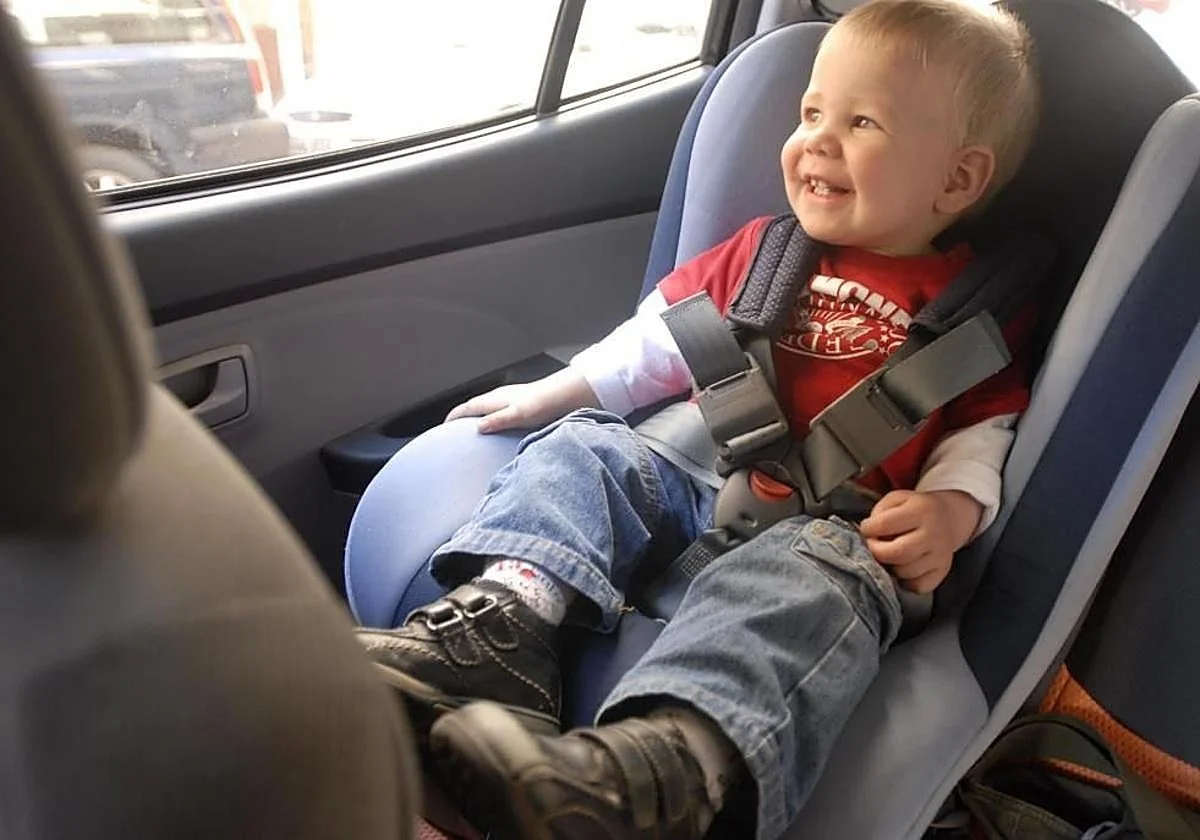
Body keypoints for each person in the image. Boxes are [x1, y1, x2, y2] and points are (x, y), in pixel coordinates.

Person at [355, 1, 1041, 837]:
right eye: (811, 113)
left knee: (815, 590)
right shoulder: (766, 251)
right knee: (584, 451)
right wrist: (560, 393)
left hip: (833, 532)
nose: (817, 140)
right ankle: (499, 634)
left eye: (863, 122)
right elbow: (653, 347)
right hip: (688, 476)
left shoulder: (972, 315)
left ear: (958, 179)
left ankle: (665, 772)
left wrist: (947, 512)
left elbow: (982, 438)